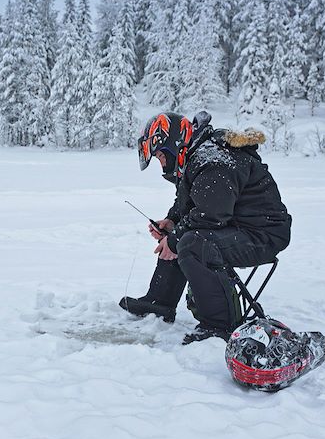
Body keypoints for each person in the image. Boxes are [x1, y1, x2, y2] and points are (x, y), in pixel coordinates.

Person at [119, 111, 292, 341]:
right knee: (181, 235)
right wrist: (171, 223)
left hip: (263, 235)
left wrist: (175, 238)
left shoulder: (213, 160)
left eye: (160, 155)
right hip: (237, 227)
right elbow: (192, 203)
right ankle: (159, 302)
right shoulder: (198, 155)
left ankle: (218, 325)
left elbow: (211, 214)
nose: (161, 163)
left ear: (173, 144)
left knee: (191, 243)